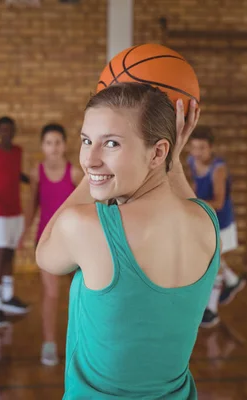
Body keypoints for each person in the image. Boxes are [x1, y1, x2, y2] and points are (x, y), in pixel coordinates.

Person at [36, 82, 220, 399]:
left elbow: (45, 253)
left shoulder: (85, 226)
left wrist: (92, 180)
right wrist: (168, 158)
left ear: (158, 151)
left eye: (110, 144)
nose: (89, 158)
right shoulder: (205, 222)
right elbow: (171, 179)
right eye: (86, 141)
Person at [21, 123, 84, 366]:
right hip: (46, 240)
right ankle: (49, 343)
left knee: (79, 293)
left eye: (58, 142)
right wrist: (23, 233)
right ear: (42, 147)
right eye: (49, 143)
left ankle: (80, 342)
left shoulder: (76, 174)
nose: (54, 147)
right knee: (51, 293)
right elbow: (32, 205)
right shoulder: (37, 174)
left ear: (64, 145)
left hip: (74, 242)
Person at [187, 126, 246, 328]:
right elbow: (196, 185)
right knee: (213, 259)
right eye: (194, 148)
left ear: (211, 148)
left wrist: (193, 204)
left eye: (202, 148)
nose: (197, 153)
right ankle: (232, 280)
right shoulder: (192, 162)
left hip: (221, 220)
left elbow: (219, 202)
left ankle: (211, 310)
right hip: (206, 217)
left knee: (214, 260)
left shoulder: (218, 168)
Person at [0, 116, 30, 328]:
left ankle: (8, 296)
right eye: (3, 129)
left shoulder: (18, 151)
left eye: (10, 129)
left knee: (11, 254)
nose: (7, 133)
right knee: (0, 256)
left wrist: (26, 179)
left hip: (16, 210)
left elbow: (12, 173)